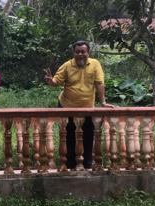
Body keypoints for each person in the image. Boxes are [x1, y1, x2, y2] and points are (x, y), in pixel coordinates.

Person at [44, 40, 113, 169]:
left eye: (83, 52)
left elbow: (99, 83)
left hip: (87, 107)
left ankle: (87, 162)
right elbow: (56, 81)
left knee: (88, 134)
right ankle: (70, 163)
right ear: (73, 53)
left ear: (88, 52)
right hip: (67, 106)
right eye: (77, 52)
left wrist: (103, 102)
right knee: (68, 134)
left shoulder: (95, 64)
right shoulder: (67, 66)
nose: (80, 54)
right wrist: (50, 81)